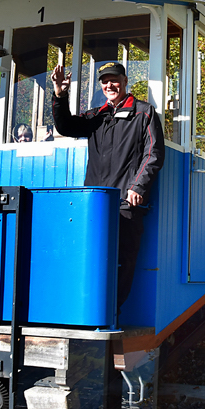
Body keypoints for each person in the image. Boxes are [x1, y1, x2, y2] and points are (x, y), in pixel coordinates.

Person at [51, 61, 165, 312]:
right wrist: (60, 95)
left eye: (114, 79)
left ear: (125, 82)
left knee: (123, 260)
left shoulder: (144, 112)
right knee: (90, 256)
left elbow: (153, 154)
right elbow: (65, 126)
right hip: (95, 202)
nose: (109, 85)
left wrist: (137, 187)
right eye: (105, 81)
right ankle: (88, 310)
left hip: (126, 201)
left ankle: (112, 311)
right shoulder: (96, 116)